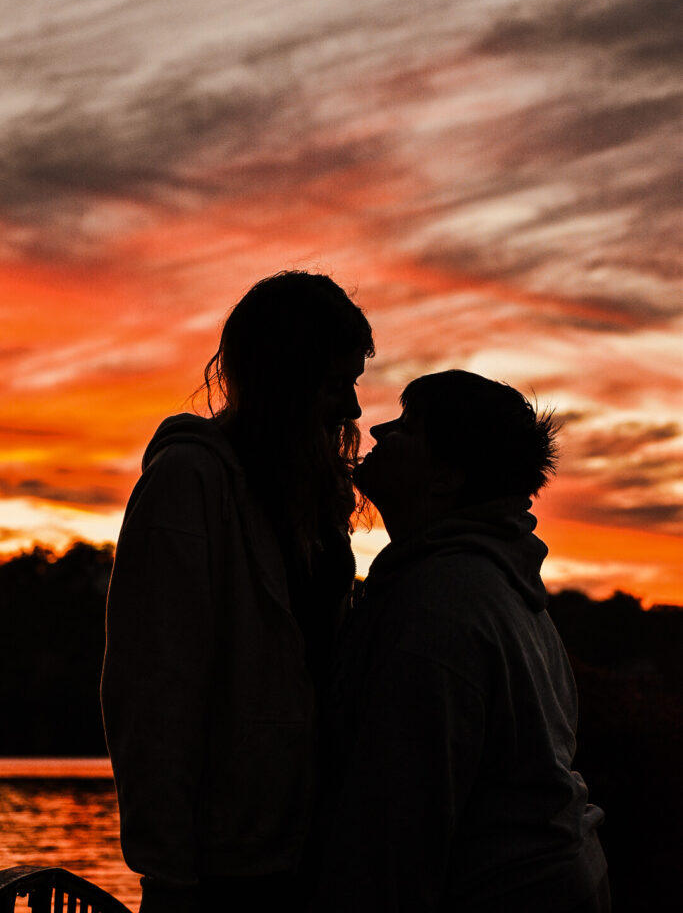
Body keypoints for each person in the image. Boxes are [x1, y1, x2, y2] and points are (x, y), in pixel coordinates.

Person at [101, 270, 374, 913]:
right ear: (287, 381)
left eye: (355, 383)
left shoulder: (310, 498)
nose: (354, 409)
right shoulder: (188, 483)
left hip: (308, 855)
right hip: (219, 873)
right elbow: (153, 689)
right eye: (336, 385)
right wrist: (170, 873)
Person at [314, 370, 610, 912]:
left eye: (408, 427)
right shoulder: (500, 589)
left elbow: (398, 832)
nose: (377, 430)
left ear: (446, 476)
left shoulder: (440, 606)